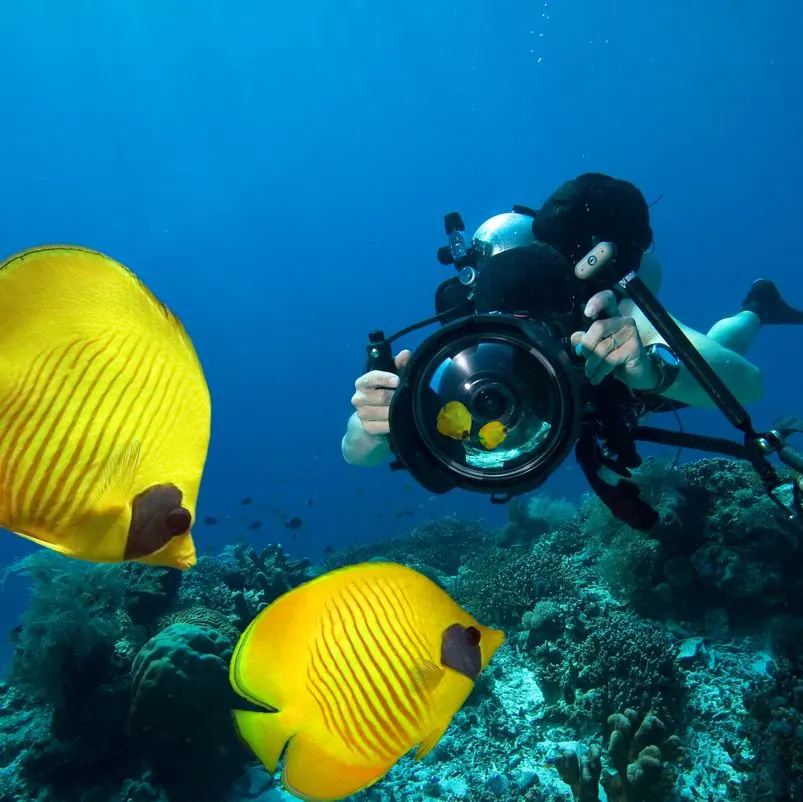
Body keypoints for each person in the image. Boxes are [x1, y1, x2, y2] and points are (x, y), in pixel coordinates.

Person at [341, 174, 803, 468]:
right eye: (504, 297)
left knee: (717, 351)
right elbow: (355, 453)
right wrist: (373, 422)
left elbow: (748, 386)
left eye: (535, 291)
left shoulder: (605, 314)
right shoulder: (464, 342)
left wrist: (654, 370)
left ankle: (756, 309)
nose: (522, 314)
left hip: (625, 387)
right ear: (478, 297)